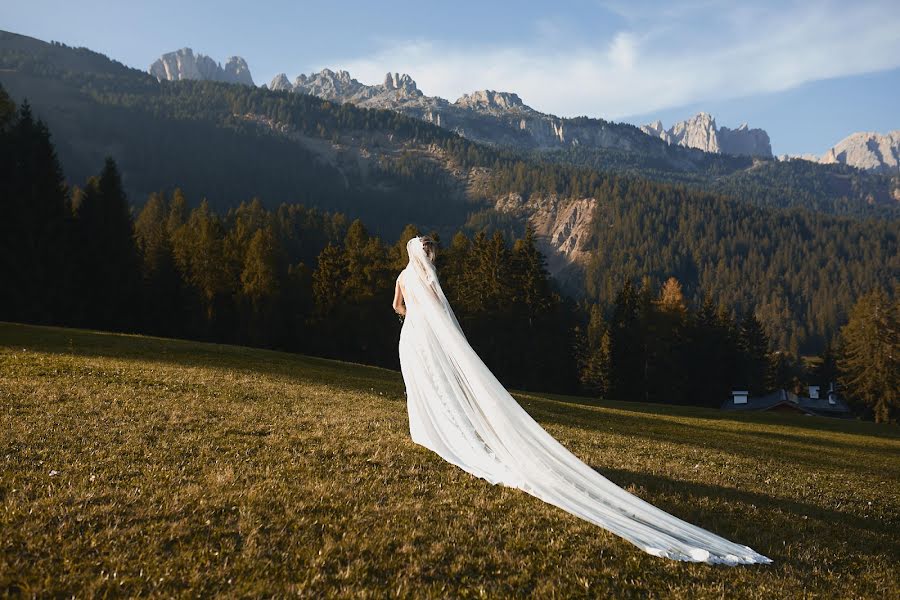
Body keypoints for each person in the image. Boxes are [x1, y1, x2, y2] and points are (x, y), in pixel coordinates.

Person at [392, 235, 772, 564]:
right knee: (437, 382)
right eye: (431, 252)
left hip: (411, 337)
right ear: (426, 254)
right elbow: (441, 311)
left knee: (423, 383)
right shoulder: (427, 276)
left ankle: (426, 429)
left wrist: (411, 316)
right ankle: (437, 430)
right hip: (429, 337)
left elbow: (398, 307)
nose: (431, 257)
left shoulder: (404, 277)